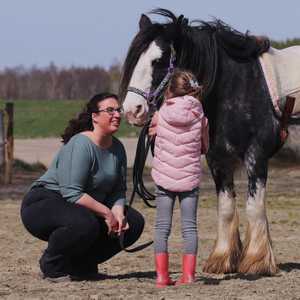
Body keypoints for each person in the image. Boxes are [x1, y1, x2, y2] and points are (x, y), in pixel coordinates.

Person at [20, 93, 145, 282]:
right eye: (109, 110)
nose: (117, 114)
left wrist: (118, 212)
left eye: (118, 110)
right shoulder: (81, 144)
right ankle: (52, 265)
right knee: (85, 223)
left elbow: (118, 189)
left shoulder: (117, 148)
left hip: (81, 207)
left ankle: (82, 266)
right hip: (43, 203)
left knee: (133, 222)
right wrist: (107, 213)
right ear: (95, 116)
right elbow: (72, 193)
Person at [149, 70, 209, 287]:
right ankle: (189, 275)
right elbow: (204, 147)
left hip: (164, 178)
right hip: (189, 179)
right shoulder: (200, 116)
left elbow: (153, 139)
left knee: (162, 227)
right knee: (190, 227)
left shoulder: (160, 114)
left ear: (169, 90)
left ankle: (162, 276)